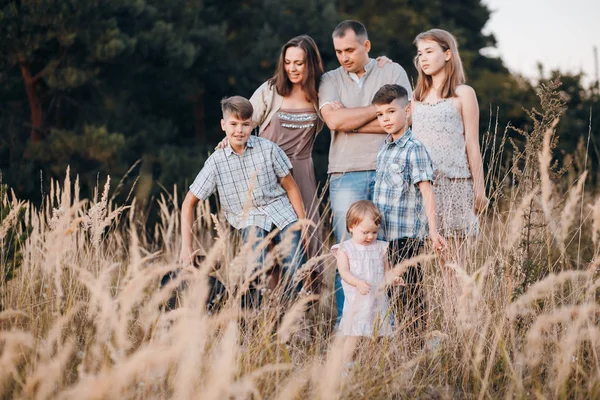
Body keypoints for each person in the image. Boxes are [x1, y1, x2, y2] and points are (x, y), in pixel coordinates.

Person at [318, 20, 412, 326]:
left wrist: (351, 118)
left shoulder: (392, 70)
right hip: (346, 174)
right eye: (338, 51)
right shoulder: (330, 79)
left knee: (387, 250)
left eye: (350, 50)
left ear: (366, 46)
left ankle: (386, 325)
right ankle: (349, 326)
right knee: (349, 251)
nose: (343, 57)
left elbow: (404, 118)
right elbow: (334, 122)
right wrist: (381, 108)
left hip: (390, 168)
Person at [180, 96, 306, 307]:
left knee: (295, 263)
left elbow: (291, 186)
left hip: (282, 213)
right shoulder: (216, 162)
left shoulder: (268, 149)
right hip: (249, 218)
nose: (239, 130)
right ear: (223, 125)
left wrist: (303, 225)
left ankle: (292, 318)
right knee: (255, 265)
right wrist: (186, 247)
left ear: (252, 124)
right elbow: (188, 203)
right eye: (234, 124)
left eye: (245, 124)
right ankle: (254, 316)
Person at [371, 84, 446, 336]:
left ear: (407, 109)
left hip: (406, 237)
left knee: (409, 293)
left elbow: (427, 192)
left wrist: (433, 232)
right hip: (383, 235)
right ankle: (399, 340)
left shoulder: (414, 148)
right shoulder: (384, 148)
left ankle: (417, 344)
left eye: (391, 112)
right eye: (380, 114)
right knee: (391, 290)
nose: (385, 119)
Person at [411, 29, 488, 262]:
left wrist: (479, 189)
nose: (423, 58)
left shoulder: (463, 93)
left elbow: (472, 144)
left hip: (456, 184)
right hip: (423, 189)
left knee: (455, 264)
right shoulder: (416, 97)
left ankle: (458, 301)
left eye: (429, 51)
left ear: (447, 54)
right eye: (419, 53)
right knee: (422, 261)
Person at [331, 200, 401, 369]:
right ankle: (344, 366)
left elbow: (386, 270)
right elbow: (344, 273)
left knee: (377, 334)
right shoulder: (345, 249)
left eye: (374, 232)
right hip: (357, 301)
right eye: (365, 232)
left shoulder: (380, 248)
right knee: (354, 335)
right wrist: (357, 282)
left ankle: (374, 364)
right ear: (351, 227)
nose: (370, 236)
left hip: (377, 301)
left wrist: (394, 278)